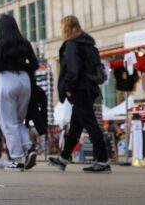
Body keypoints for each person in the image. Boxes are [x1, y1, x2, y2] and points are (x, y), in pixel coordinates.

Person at [48, 15, 112, 174]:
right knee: (76, 127)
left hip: (78, 89)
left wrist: (69, 87)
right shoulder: (88, 43)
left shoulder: (72, 44)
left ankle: (103, 161)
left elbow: (73, 69)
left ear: (66, 28)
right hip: (89, 88)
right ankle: (63, 158)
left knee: (91, 125)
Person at [0, 15, 39, 172]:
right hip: (24, 81)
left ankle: (17, 159)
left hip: (7, 80)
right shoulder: (24, 43)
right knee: (19, 120)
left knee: (8, 122)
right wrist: (22, 67)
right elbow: (35, 64)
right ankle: (28, 147)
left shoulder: (1, 44)